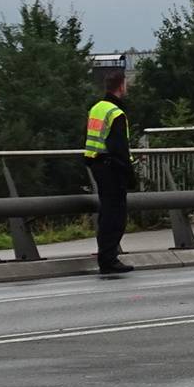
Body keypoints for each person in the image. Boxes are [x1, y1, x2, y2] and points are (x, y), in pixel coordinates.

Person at [84, 72, 135, 275]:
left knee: (106, 213)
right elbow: (118, 147)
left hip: (97, 165)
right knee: (115, 215)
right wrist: (129, 174)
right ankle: (109, 258)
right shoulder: (116, 113)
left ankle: (106, 256)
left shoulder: (96, 108)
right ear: (121, 87)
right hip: (112, 168)